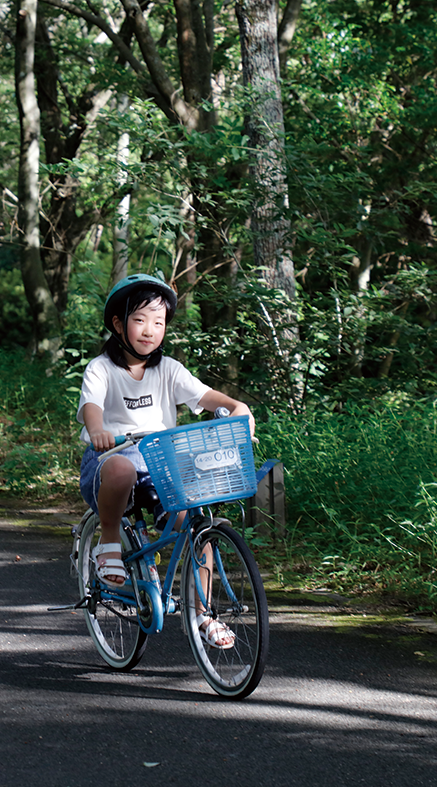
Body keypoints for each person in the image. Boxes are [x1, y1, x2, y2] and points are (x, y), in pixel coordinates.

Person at [77, 274, 254, 649]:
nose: (150, 330)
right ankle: (109, 541)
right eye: (140, 319)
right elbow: (91, 406)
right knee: (123, 467)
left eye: (159, 322)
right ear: (117, 324)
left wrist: (238, 408)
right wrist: (98, 431)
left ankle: (201, 613)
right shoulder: (101, 369)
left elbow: (208, 397)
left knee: (197, 522)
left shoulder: (169, 369)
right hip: (108, 461)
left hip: (158, 466)